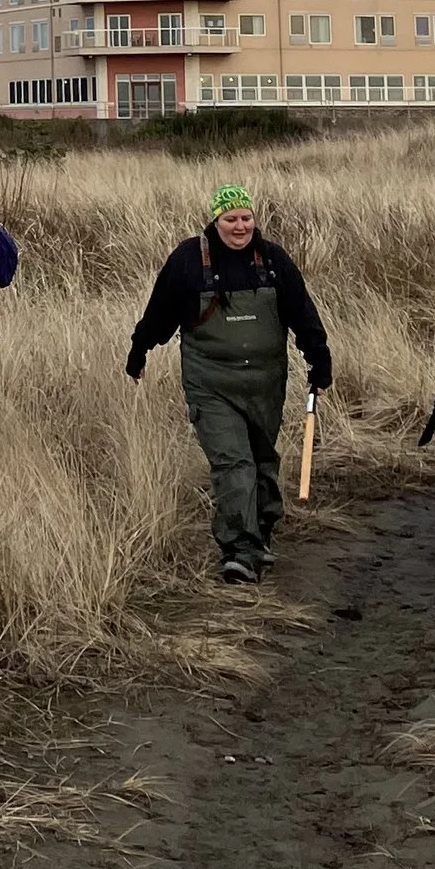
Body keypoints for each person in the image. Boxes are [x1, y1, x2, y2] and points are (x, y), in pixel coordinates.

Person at [127, 184, 332, 585]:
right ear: (215, 220)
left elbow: (302, 313)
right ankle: (240, 550)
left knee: (261, 460)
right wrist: (140, 350)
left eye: (246, 218)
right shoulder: (189, 261)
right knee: (233, 463)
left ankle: (261, 530)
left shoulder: (273, 261)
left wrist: (319, 360)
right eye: (230, 219)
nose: (240, 227)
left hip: (265, 382)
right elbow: (160, 313)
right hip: (210, 383)